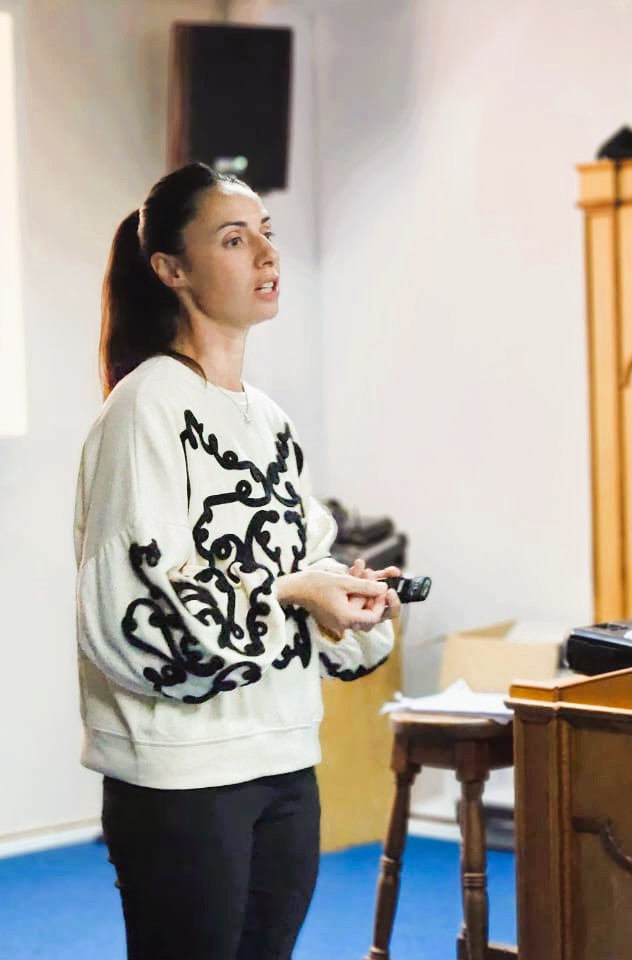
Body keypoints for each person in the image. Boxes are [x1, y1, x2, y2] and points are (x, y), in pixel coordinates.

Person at [73, 162, 400, 960]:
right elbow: (141, 610)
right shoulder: (145, 406)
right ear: (171, 269)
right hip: (184, 776)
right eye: (232, 238)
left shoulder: (270, 420)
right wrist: (296, 591)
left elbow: (300, 564)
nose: (266, 254)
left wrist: (345, 598)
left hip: (284, 754)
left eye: (266, 234)